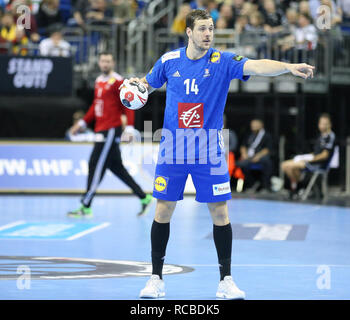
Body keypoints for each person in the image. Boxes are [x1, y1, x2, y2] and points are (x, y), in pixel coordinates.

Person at [127, 9, 314, 300]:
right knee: (163, 209)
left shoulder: (222, 61)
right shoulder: (169, 61)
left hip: (208, 149)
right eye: (202, 29)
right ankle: (155, 279)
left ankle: (225, 280)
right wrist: (134, 87)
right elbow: (147, 84)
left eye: (211, 28)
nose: (208, 34)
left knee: (220, 212)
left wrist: (287, 67)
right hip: (174, 148)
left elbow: (258, 65)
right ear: (189, 32)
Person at [67, 52, 153, 218]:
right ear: (99, 63)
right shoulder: (99, 81)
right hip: (101, 128)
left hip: (110, 129)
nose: (105, 64)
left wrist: (129, 128)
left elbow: (129, 103)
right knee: (116, 168)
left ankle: (86, 205)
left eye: (108, 61)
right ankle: (144, 198)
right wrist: (83, 123)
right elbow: (95, 105)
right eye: (102, 61)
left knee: (95, 164)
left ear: (113, 63)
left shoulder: (119, 82)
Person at [281, 113, 336, 199]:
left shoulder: (330, 136)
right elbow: (316, 153)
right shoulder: (320, 136)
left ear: (329, 124)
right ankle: (300, 187)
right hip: (313, 160)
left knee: (288, 165)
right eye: (321, 123)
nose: (322, 126)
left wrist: (309, 160)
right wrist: (303, 157)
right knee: (285, 166)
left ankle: (300, 187)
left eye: (325, 124)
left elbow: (324, 156)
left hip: (319, 164)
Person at [236, 118, 273, 193]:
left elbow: (267, 149)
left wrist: (258, 156)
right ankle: (252, 184)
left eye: (256, 124)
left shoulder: (266, 135)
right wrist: (244, 154)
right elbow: (243, 146)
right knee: (241, 164)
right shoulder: (249, 135)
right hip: (249, 157)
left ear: (261, 125)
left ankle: (265, 187)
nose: (253, 126)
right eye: (252, 124)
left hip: (260, 157)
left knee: (267, 163)